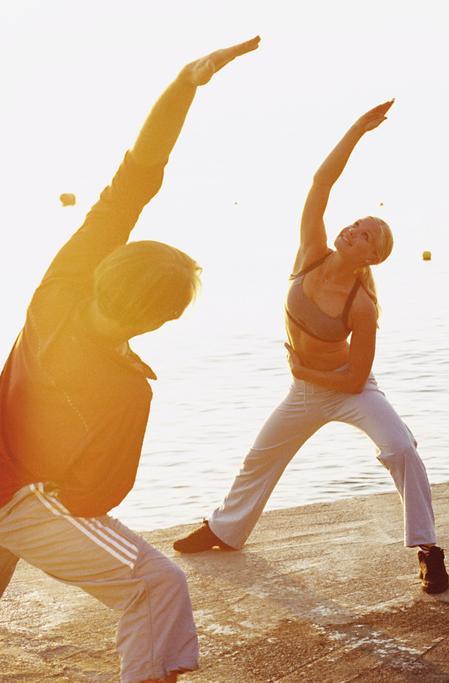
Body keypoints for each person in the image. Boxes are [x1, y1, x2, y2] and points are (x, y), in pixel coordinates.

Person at [0, 38, 260, 683]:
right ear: (161, 320)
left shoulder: (58, 292)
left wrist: (185, 82)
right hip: (16, 498)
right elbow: (98, 493)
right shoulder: (124, 389)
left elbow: (135, 177)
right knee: (157, 585)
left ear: (109, 269)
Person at [173, 101, 449, 594]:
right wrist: (356, 131)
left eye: (365, 235)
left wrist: (303, 368)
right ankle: (224, 530)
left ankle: (429, 549)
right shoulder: (310, 253)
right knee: (260, 458)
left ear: (373, 257)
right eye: (355, 224)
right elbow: (320, 185)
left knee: (400, 448)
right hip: (305, 386)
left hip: (349, 389)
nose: (352, 231)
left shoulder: (361, 306)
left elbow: (351, 378)